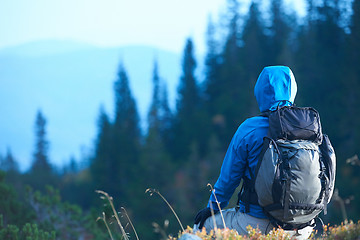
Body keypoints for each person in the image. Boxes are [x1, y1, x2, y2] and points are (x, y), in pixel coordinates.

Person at [194, 66, 314, 239]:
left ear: (260, 92)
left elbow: (228, 181)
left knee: (202, 227)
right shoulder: (309, 127)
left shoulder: (250, 129)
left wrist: (211, 209)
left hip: (258, 224)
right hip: (303, 226)